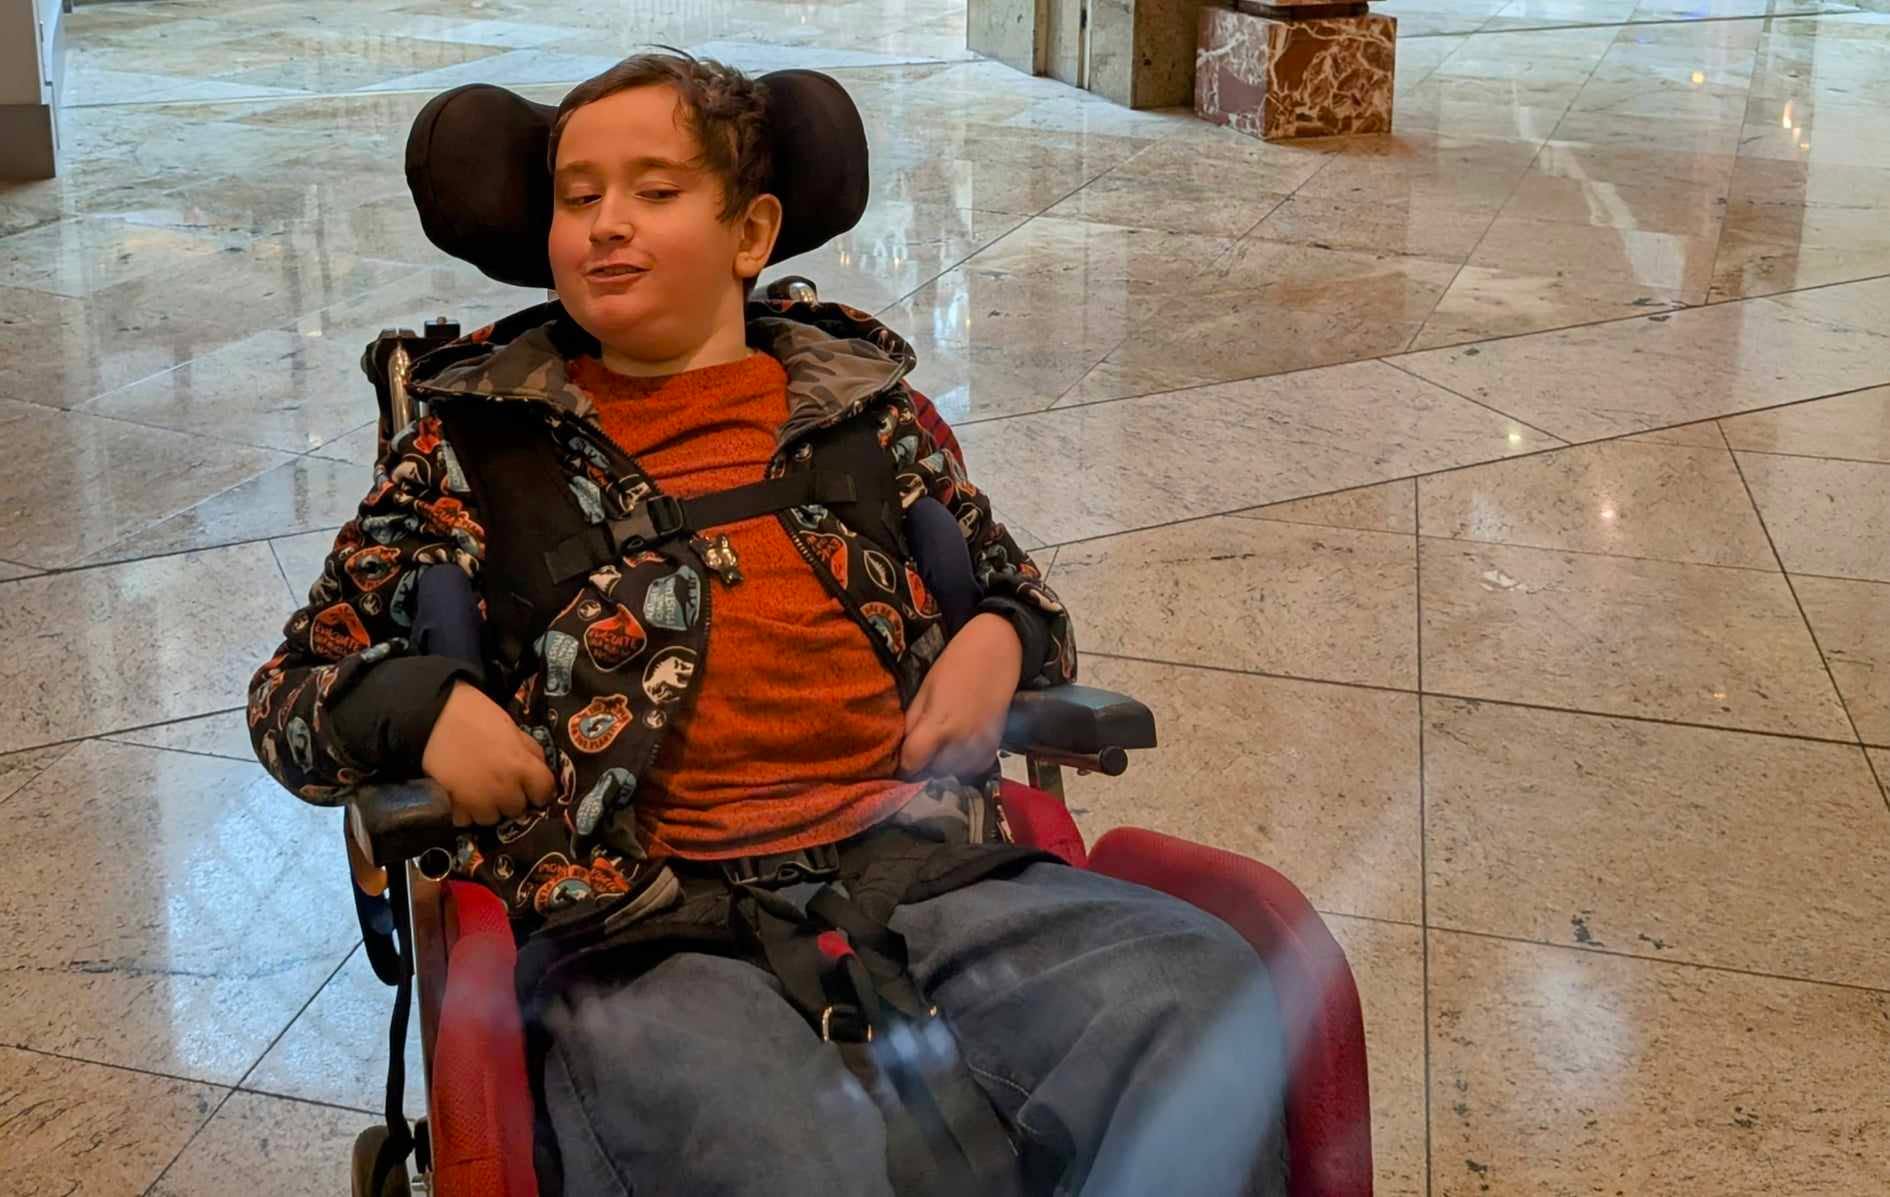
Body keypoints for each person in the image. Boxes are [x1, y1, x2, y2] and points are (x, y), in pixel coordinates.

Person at [250, 52, 1286, 1197]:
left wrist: (999, 642)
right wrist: (424, 709)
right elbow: (292, 693)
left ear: (751, 234)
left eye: (654, 191)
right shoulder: (472, 447)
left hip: (928, 872)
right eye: (577, 197)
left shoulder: (865, 414)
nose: (606, 225)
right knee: (791, 1159)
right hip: (643, 927)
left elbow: (1019, 592)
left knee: (1205, 996)